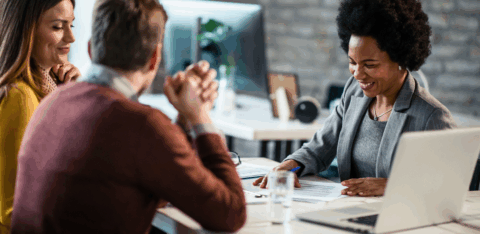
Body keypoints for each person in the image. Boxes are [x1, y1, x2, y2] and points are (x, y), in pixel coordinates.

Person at [10, 0, 246, 233]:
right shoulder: (142, 125)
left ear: (91, 49)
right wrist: (200, 116)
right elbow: (230, 213)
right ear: (155, 57)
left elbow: (153, 179)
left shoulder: (52, 101)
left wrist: (183, 121)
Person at [254, 0, 456, 197]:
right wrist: (290, 165)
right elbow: (320, 146)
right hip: (347, 211)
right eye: (352, 62)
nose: (357, 74)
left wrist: (393, 186)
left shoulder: (432, 116)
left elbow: (453, 184)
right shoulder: (354, 91)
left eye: (370, 65)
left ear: (400, 59)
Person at [0, 0, 80, 229]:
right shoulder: (20, 97)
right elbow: (13, 209)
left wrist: (68, 96)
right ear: (26, 31)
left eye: (71, 25)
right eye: (57, 27)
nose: (70, 38)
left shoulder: (47, 90)